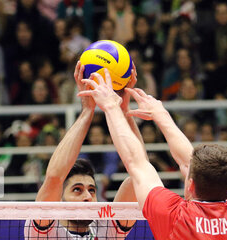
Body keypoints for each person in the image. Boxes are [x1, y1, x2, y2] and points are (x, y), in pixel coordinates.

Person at [78, 69, 227, 239]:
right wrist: (158, 115)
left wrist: (111, 106)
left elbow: (137, 164)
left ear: (191, 184)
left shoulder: (175, 216)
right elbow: (188, 163)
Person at [24, 62, 140, 239]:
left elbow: (140, 172)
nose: (88, 196)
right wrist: (87, 110)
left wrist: (123, 110)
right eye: (77, 190)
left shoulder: (107, 230)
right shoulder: (44, 230)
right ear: (59, 199)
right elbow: (55, 177)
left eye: (92, 190)